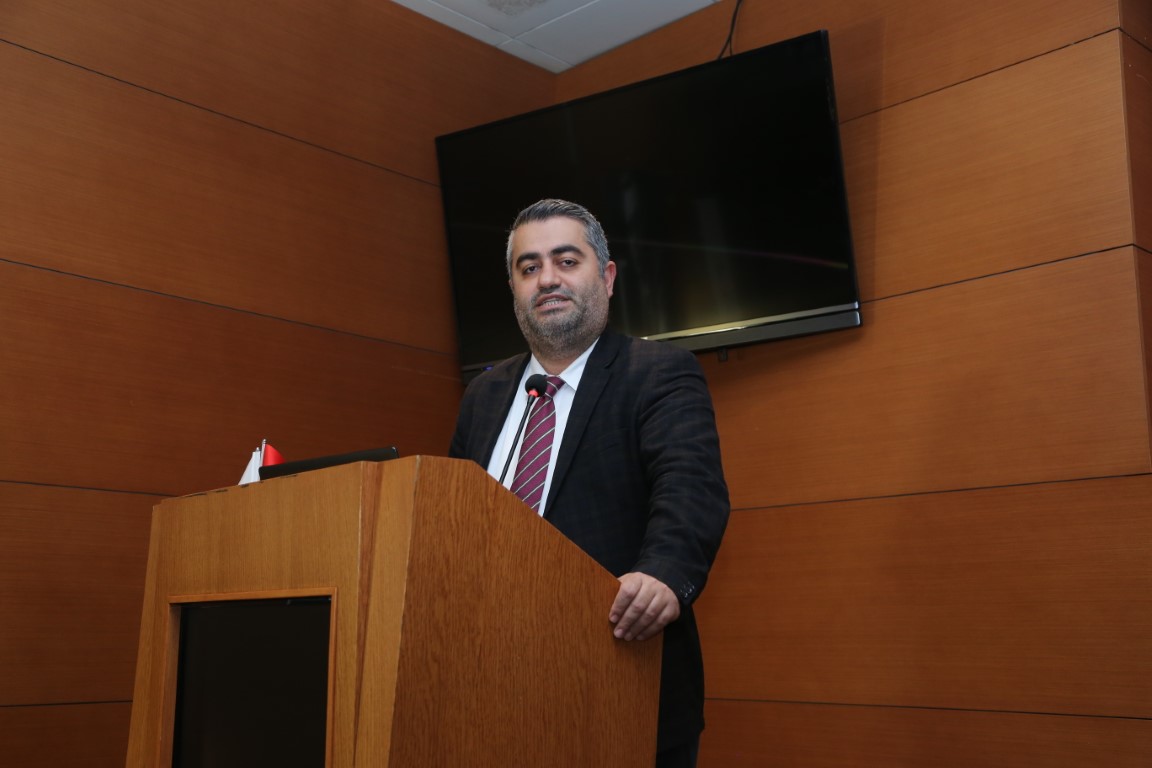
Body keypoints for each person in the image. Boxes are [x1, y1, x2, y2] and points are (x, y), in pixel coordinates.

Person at [449, 199, 730, 767]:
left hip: (619, 677)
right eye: (529, 267)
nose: (547, 279)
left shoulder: (657, 373)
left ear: (606, 277)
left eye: (566, 260)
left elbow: (689, 489)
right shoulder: (483, 396)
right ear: (514, 289)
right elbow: (452, 517)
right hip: (490, 689)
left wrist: (662, 575)